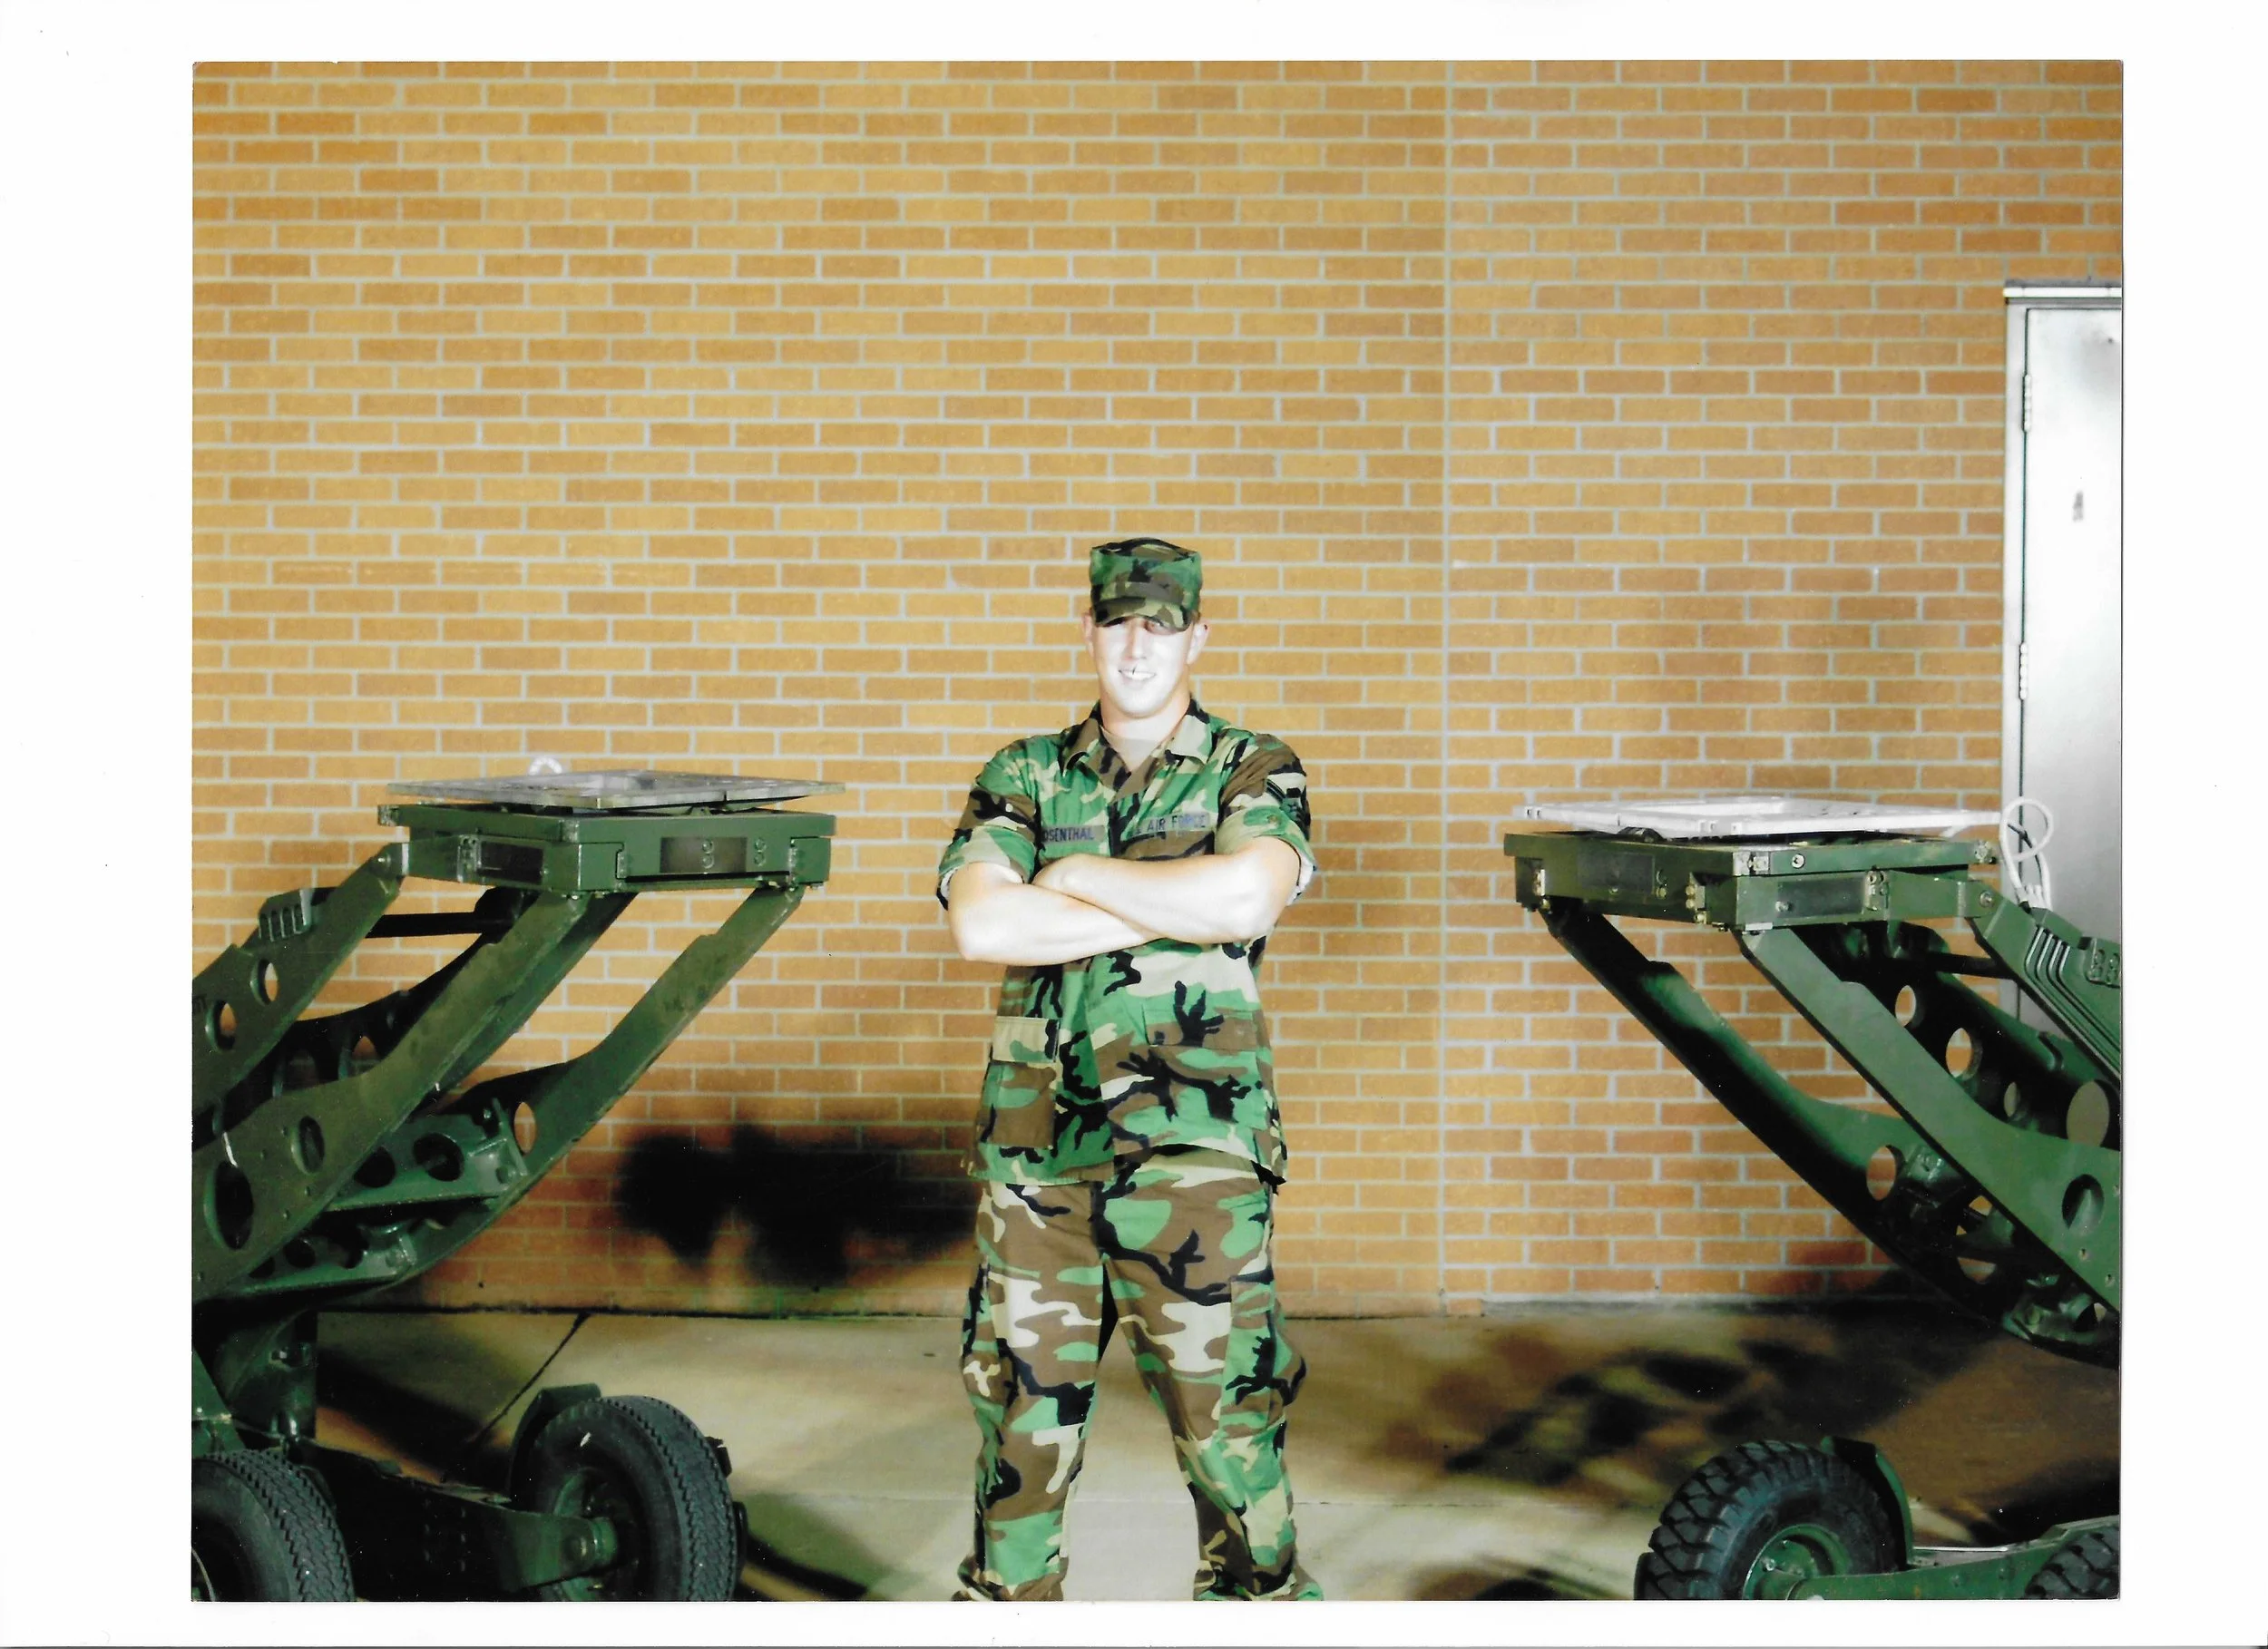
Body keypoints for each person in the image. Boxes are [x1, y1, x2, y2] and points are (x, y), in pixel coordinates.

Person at [934, 537, 1324, 1602]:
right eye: (1117, 622)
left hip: (1196, 1151)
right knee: (1019, 1423)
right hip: (1037, 1157)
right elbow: (982, 925)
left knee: (1225, 1424)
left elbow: (1246, 900)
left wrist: (1073, 874)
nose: (1137, 645)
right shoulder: (1022, 772)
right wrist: (1162, 897)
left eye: (1160, 623)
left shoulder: (1253, 766)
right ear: (1091, 631)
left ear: (1197, 634)